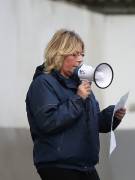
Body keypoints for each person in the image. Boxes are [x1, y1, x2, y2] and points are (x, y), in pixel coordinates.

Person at [25, 29, 126, 180]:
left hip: (85, 165)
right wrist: (78, 99)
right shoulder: (43, 84)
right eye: (74, 54)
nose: (80, 60)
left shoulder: (79, 85)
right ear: (58, 54)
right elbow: (48, 121)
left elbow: (95, 122)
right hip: (58, 166)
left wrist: (113, 115)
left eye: (82, 54)